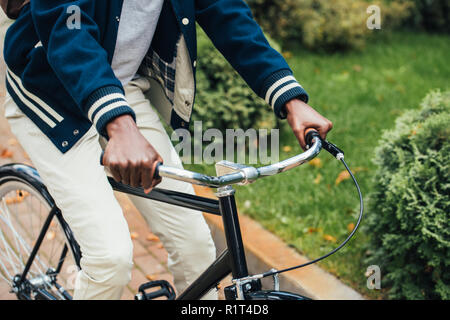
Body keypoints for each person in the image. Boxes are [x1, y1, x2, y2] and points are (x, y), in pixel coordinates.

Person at [2, 1, 333, 300]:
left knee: (196, 249)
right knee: (110, 259)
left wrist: (288, 96)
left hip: (118, 85)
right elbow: (66, 25)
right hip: (49, 94)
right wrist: (119, 125)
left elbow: (226, 11)